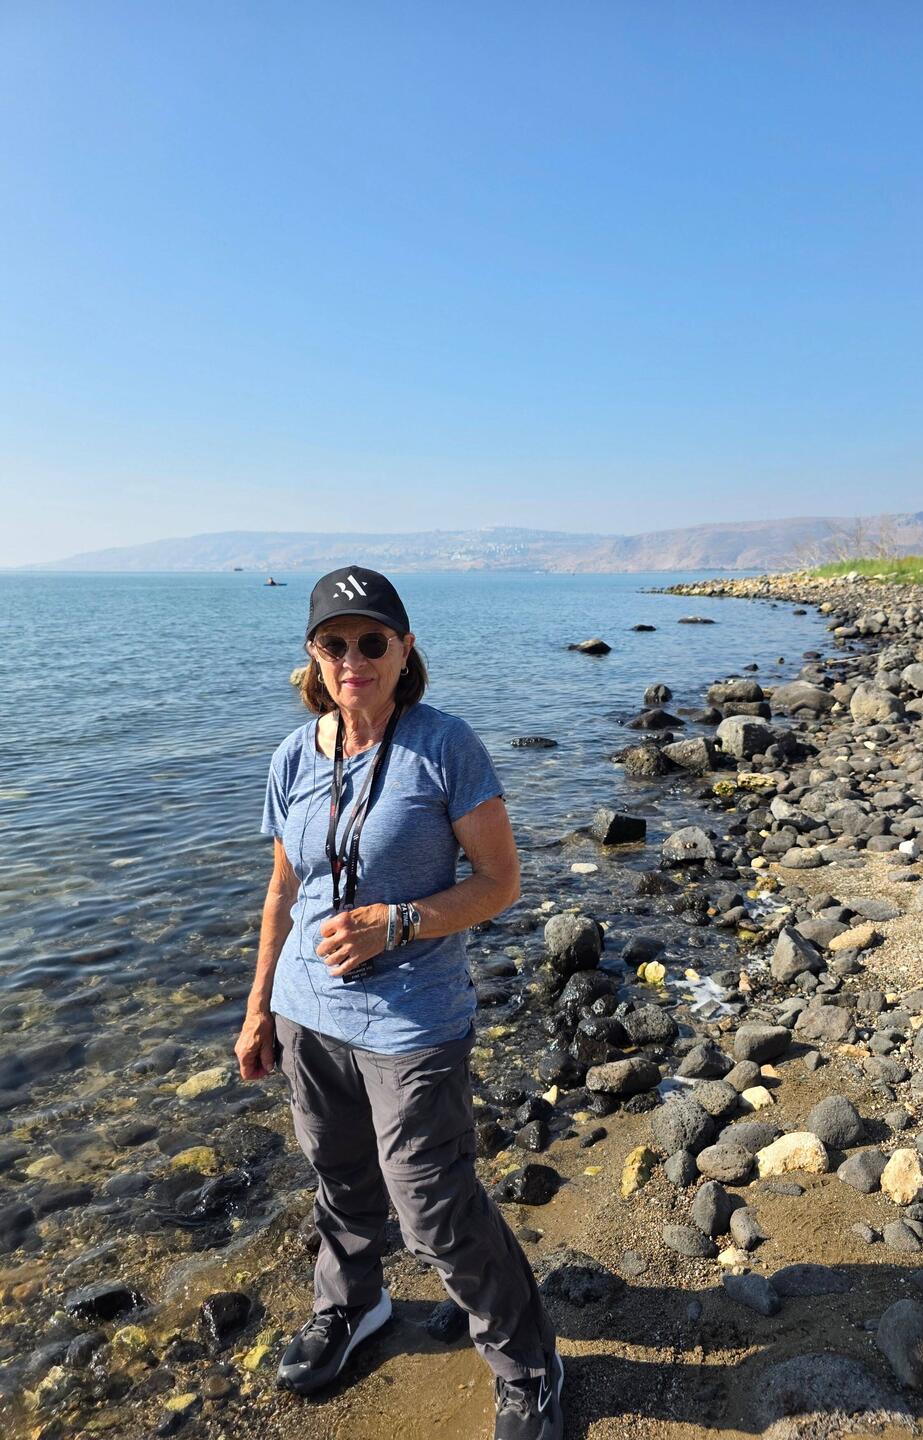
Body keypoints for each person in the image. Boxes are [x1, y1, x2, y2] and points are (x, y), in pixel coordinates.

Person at [233, 566, 563, 1440]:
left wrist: (403, 921)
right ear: (313, 655)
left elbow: (501, 882)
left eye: (371, 641)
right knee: (339, 1182)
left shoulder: (444, 746)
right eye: (334, 643)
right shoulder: (293, 756)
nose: (353, 660)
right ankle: (355, 1308)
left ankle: (528, 1361)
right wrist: (260, 1004)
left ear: (404, 649)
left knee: (432, 1206)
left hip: (412, 1024)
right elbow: (282, 892)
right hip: (309, 1016)